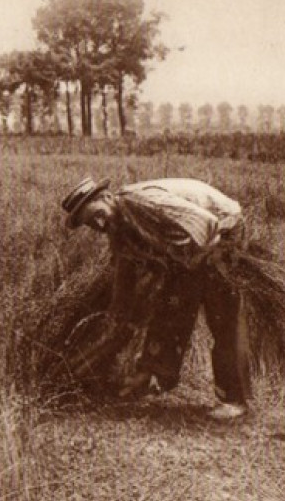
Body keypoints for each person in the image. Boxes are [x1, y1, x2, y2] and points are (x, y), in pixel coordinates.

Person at [61, 176, 252, 421]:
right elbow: (125, 271)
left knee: (223, 314)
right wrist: (120, 316)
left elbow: (206, 224)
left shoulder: (144, 202)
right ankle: (154, 377)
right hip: (192, 244)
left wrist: (186, 271)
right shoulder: (118, 225)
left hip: (222, 231)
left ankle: (235, 401)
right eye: (91, 223)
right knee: (170, 307)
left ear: (107, 198)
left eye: (97, 214)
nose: (98, 224)